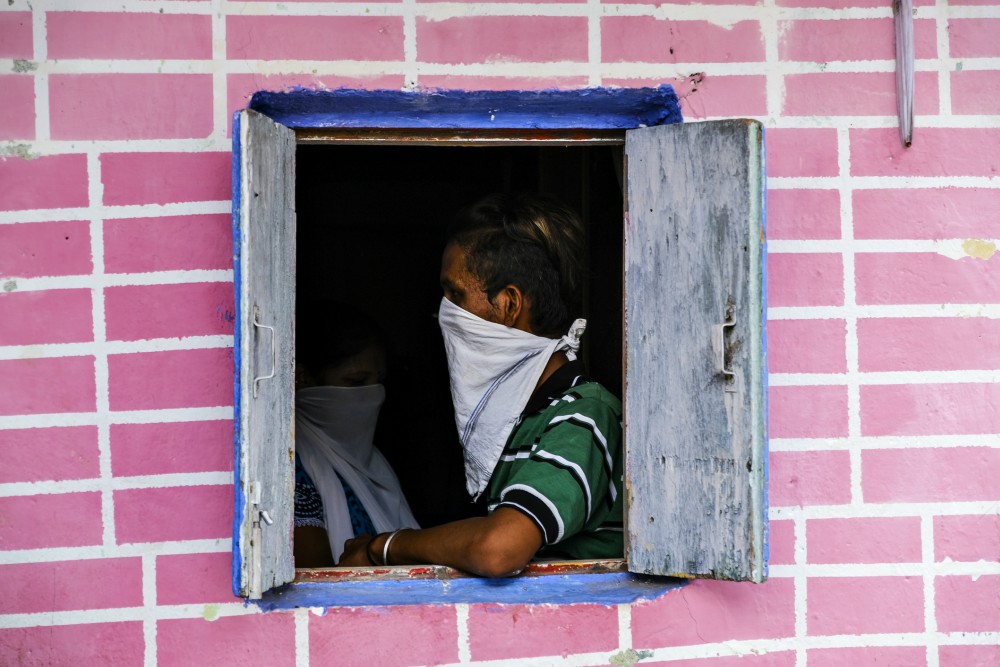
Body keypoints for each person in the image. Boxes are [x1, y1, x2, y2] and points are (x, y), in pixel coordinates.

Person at [339, 193, 623, 576]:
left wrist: (384, 547)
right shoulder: (515, 413)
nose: (443, 311)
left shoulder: (584, 412)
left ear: (508, 304)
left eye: (455, 294)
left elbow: (499, 550)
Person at [293, 302, 419, 567]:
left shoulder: (375, 463)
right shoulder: (292, 462)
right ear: (303, 379)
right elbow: (313, 578)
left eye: (379, 381)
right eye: (356, 382)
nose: (373, 396)